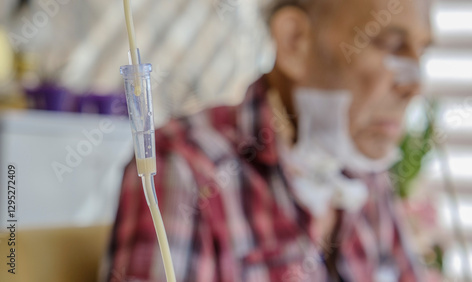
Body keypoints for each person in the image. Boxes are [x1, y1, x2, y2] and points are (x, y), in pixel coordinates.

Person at [104, 0, 431, 281]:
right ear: (294, 41)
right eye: (389, 45)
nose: (415, 86)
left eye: (422, 52)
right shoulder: (187, 166)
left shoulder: (364, 172)